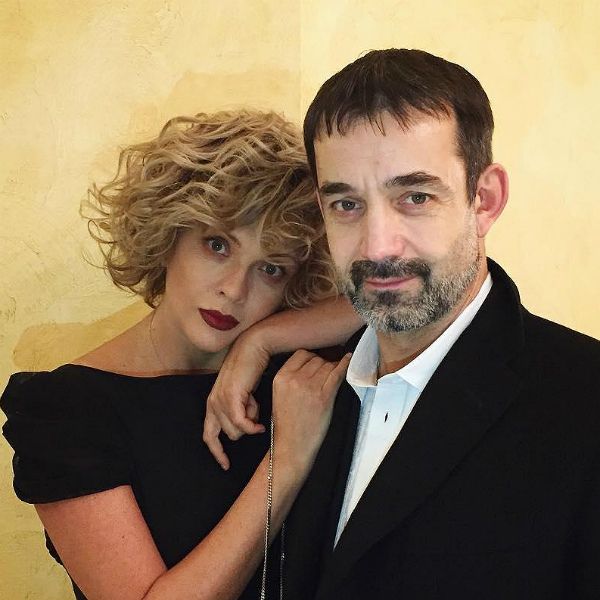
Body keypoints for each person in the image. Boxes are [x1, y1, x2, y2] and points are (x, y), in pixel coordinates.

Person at [204, 50, 600, 599]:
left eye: (415, 196)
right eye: (347, 204)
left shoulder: (584, 403)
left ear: (484, 201)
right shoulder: (286, 391)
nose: (377, 247)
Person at [0, 109, 359, 600]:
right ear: (169, 232)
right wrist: (287, 461)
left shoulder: (292, 372)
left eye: (271, 269)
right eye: (217, 245)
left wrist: (260, 342)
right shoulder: (67, 411)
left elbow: (421, 295)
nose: (234, 290)